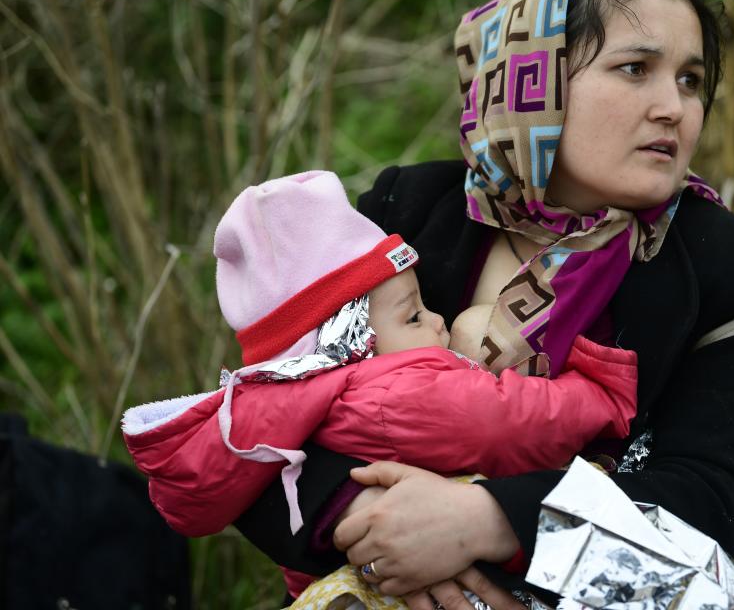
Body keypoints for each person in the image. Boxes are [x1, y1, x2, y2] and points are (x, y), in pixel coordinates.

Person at [236, 0, 734, 608]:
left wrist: (487, 520)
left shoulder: (732, 267)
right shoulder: (410, 211)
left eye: (690, 80)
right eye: (635, 69)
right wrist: (376, 520)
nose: (673, 106)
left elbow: (715, 497)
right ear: (530, 79)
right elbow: (256, 419)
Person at [121, 171, 639, 601]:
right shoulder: (394, 392)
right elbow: (507, 421)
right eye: (413, 317)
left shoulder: (291, 403)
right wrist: (598, 394)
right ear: (351, 344)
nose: (439, 322)